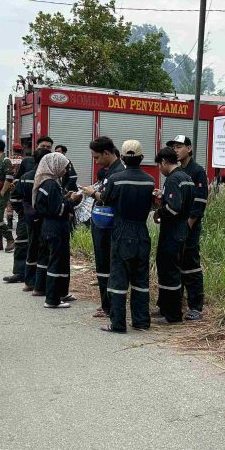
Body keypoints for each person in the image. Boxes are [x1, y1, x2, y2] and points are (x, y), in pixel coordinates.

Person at [97, 140, 156, 334]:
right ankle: (141, 322)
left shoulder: (116, 179)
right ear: (141, 158)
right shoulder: (150, 181)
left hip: (122, 231)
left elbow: (106, 200)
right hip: (141, 232)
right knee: (140, 280)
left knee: (118, 280)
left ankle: (118, 323)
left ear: (122, 157)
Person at [80, 136, 126, 318]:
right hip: (102, 226)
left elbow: (109, 198)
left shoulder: (117, 173)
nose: (96, 161)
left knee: (107, 266)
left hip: (109, 228)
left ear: (107, 153)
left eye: (97, 157)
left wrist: (94, 193)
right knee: (103, 266)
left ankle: (108, 306)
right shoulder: (110, 171)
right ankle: (106, 304)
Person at [33, 152, 83, 309]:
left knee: (61, 259)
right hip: (55, 227)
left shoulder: (46, 183)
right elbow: (58, 208)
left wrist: (65, 198)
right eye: (63, 167)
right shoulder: (51, 184)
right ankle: (53, 299)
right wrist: (72, 200)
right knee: (56, 261)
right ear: (54, 166)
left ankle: (61, 292)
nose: (65, 171)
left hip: (49, 226)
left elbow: (48, 205)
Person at [167, 135, 208, 321]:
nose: (176, 150)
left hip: (189, 227)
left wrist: (188, 226)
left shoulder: (197, 171)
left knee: (191, 265)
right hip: (176, 227)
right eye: (173, 147)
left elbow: (199, 202)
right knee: (177, 264)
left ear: (189, 149)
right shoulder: (175, 171)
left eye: (179, 146)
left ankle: (196, 307)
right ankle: (175, 304)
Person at [152, 146, 194, 324]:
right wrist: (164, 196)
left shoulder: (173, 179)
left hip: (171, 232)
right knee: (172, 270)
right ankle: (165, 308)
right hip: (182, 230)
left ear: (163, 162)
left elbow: (173, 208)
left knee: (169, 272)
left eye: (158, 166)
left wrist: (159, 213)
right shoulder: (186, 178)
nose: (159, 170)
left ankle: (172, 314)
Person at [22, 147, 52, 294]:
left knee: (31, 247)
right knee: (43, 250)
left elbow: (15, 197)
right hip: (42, 218)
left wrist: (24, 212)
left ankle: (29, 282)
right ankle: (39, 284)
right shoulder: (45, 179)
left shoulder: (25, 176)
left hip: (29, 217)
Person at [4, 144, 27, 283]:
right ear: (22, 150)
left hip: (12, 187)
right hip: (23, 190)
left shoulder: (9, 160)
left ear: (13, 150)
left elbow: (6, 175)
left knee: (10, 207)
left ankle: (10, 223)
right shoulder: (24, 160)